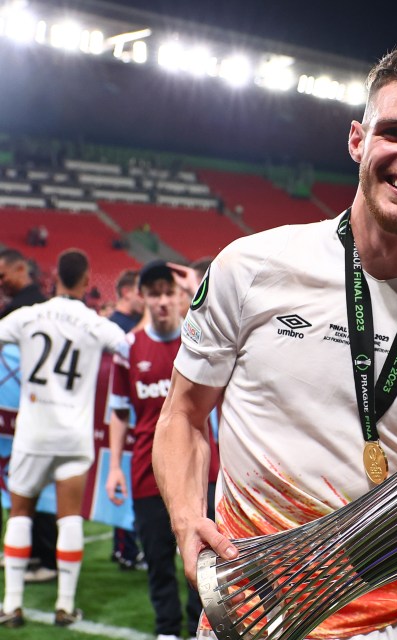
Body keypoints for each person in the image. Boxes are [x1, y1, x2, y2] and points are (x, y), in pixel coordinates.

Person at [153, 41, 397, 640]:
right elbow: (185, 414)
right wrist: (186, 516)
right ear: (357, 139)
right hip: (253, 612)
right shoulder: (251, 266)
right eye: (395, 132)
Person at [0, 249, 128, 628]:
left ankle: (11, 604)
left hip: (33, 432)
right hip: (74, 435)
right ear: (88, 281)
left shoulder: (25, 317)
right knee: (69, 518)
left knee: (20, 514)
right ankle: (65, 606)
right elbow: (126, 346)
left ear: (54, 276)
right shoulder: (93, 323)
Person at [106, 261, 219, 640]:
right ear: (143, 298)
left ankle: (196, 625)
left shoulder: (199, 339)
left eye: (169, 292)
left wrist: (198, 288)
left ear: (179, 295)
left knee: (205, 558)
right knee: (157, 558)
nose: (163, 301)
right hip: (145, 470)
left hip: (203, 469)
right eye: (155, 294)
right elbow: (120, 411)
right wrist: (114, 468)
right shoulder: (128, 348)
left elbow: (225, 311)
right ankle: (167, 630)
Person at [0, 249, 59, 586]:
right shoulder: (36, 306)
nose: (1, 283)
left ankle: (45, 557)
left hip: (30, 412)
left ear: (21, 269)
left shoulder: (22, 311)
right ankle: (33, 553)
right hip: (32, 411)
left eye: (3, 275)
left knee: (33, 488)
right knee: (27, 488)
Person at [105, 268, 146, 571]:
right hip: (121, 412)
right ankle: (124, 549)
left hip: (135, 411)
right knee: (125, 486)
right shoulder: (114, 329)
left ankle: (128, 547)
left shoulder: (128, 326)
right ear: (127, 292)